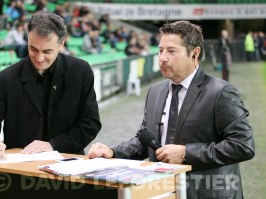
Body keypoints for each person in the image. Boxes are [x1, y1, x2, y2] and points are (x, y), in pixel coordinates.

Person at [88, 21, 255, 199]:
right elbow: (146, 140)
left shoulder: (221, 92)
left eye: (171, 51)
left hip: (208, 193)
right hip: (161, 192)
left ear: (194, 53)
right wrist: (114, 152)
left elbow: (242, 145)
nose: (162, 58)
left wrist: (185, 153)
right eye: (161, 50)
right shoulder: (155, 92)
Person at [0, 11, 101, 159]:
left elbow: (90, 123)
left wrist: (53, 145)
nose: (39, 58)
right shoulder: (5, 79)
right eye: (33, 49)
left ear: (62, 43)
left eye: (47, 51)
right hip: (20, 170)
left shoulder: (80, 71)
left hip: (68, 166)